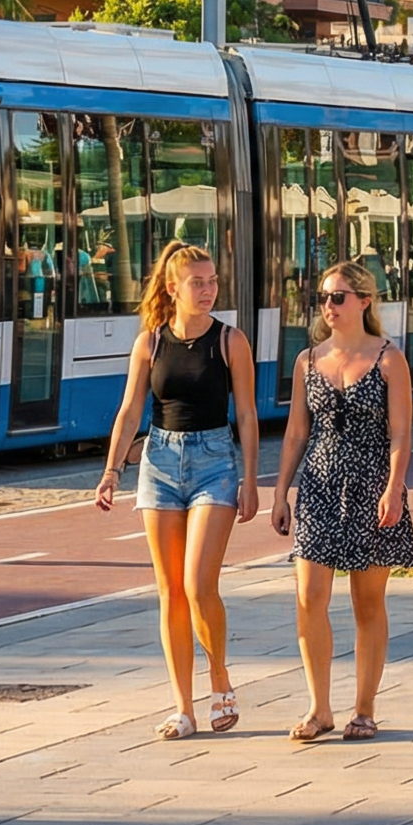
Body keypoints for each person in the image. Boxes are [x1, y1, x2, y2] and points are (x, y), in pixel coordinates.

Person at [95, 240, 260, 741]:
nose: (208, 290)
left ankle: (220, 678)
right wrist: (110, 472)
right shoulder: (150, 343)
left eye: (212, 282)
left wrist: (251, 479)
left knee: (198, 584)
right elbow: (129, 411)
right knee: (169, 592)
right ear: (174, 288)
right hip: (160, 462)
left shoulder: (231, 341)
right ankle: (184, 707)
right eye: (198, 283)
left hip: (215, 462)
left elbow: (248, 416)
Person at [272, 261, 413, 742]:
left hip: (371, 485)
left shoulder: (389, 358)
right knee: (308, 598)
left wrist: (394, 487)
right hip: (319, 484)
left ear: (364, 300)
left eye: (338, 297)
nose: (328, 306)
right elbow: (297, 431)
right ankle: (319, 709)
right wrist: (280, 492)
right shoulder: (307, 361)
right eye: (323, 297)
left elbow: (400, 432)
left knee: (367, 601)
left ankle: (364, 709)